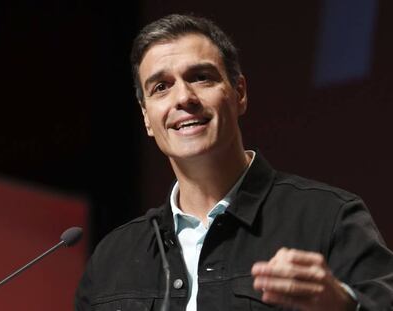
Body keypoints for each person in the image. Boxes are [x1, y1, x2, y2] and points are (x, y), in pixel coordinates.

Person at [75, 13, 393, 311]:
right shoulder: (112, 257)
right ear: (147, 118)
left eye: (200, 77)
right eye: (161, 87)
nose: (183, 98)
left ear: (239, 93)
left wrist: (345, 305)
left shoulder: (329, 218)